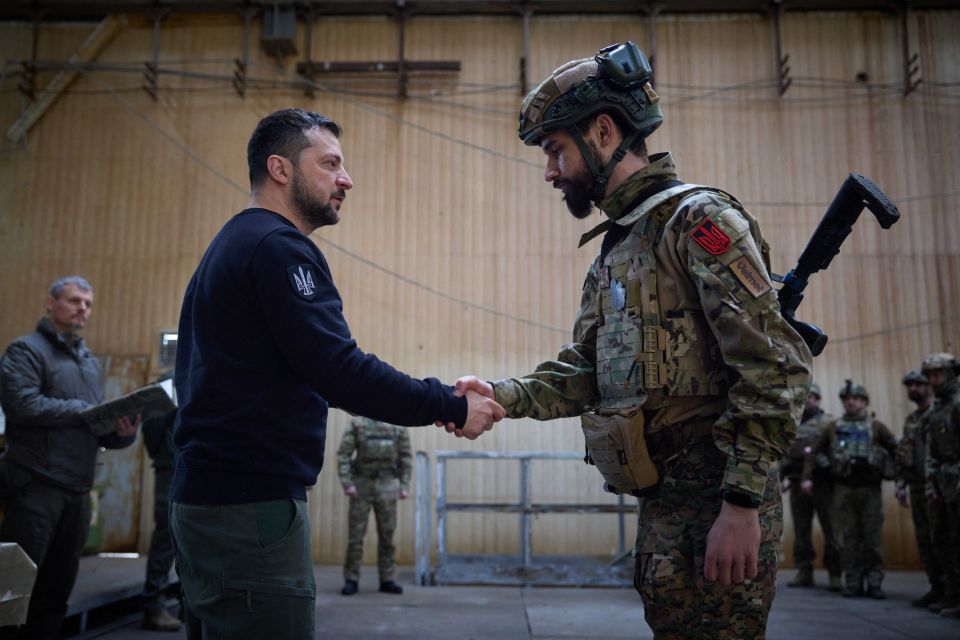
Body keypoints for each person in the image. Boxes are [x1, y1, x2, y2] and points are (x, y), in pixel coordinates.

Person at [448, 42, 812, 638]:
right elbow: (591, 368)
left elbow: (775, 366)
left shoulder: (698, 222)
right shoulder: (622, 244)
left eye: (555, 151)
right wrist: (502, 395)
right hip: (666, 506)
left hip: (718, 501)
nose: (549, 171)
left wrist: (742, 506)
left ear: (603, 130)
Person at [169, 108, 505, 638]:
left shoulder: (232, 244)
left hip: (209, 499)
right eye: (329, 164)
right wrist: (450, 403)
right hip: (249, 508)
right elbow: (340, 370)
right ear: (280, 169)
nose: (345, 179)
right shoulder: (278, 248)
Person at [0, 276, 139, 638]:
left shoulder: (88, 362)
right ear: (50, 303)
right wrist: (83, 410)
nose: (82, 309)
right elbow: (22, 405)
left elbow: (95, 425)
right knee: (13, 591)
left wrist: (122, 432)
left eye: (88, 304)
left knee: (56, 591)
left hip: (77, 490)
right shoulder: (25, 350)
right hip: (34, 487)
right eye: (74, 300)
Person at [803, 380, 896, 599]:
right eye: (847, 399)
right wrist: (809, 476)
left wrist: (891, 472)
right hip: (843, 489)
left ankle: (874, 583)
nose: (851, 402)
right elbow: (814, 452)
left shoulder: (876, 426)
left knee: (872, 539)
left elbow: (896, 449)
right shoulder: (833, 427)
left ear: (864, 402)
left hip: (870, 489)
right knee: (849, 538)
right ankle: (852, 582)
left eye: (855, 398)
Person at [337, 417, 412, 596]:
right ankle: (351, 579)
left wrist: (404, 485)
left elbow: (406, 456)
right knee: (355, 536)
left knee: (387, 535)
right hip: (362, 483)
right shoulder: (358, 423)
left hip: (387, 483)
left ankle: (387, 579)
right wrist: (347, 483)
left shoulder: (398, 425)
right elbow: (344, 453)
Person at [781, 382, 841, 590]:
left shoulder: (829, 423)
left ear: (818, 399)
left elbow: (837, 452)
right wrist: (783, 477)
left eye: (811, 396)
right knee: (801, 530)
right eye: (804, 396)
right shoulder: (792, 423)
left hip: (824, 484)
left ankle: (835, 573)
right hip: (798, 483)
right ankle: (804, 571)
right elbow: (784, 455)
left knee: (832, 529)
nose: (807, 400)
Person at [894, 368, 942, 608]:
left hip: (941, 486)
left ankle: (952, 591)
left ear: (928, 386)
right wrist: (900, 484)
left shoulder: (939, 414)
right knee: (924, 539)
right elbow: (904, 454)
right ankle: (937, 587)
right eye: (909, 385)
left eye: (917, 384)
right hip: (916, 485)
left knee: (944, 539)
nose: (912, 389)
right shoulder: (912, 419)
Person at [139, 371, 181, 632]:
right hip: (173, 467)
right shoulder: (170, 382)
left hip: (194, 466)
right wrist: (167, 456)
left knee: (193, 538)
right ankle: (154, 607)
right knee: (166, 535)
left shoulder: (209, 369)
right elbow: (152, 427)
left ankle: (187, 604)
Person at [922, 352, 960, 617]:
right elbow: (932, 452)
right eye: (931, 375)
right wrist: (931, 485)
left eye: (938, 374)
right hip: (943, 483)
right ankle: (952, 594)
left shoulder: (957, 404)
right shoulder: (937, 409)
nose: (934, 380)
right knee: (943, 540)